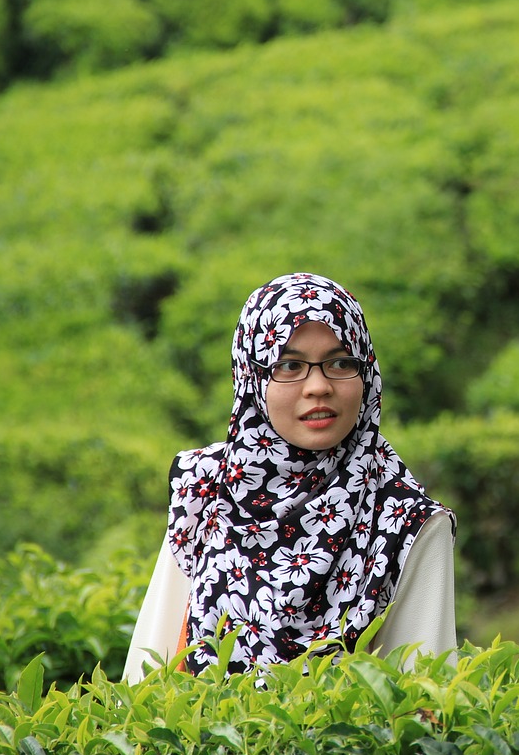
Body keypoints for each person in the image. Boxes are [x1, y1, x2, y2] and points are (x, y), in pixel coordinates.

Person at [124, 273, 456, 682]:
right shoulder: (207, 486)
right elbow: (149, 671)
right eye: (290, 365)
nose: (318, 386)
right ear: (251, 378)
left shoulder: (409, 522)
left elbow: (423, 701)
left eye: (340, 363)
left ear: (366, 373)